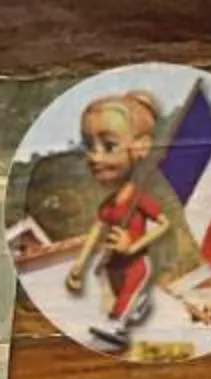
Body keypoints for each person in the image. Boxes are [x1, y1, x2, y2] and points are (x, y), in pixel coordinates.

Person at [64, 89, 170, 347]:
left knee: (122, 303)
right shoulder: (109, 204)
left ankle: (120, 327)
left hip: (134, 263)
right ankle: (134, 311)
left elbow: (164, 224)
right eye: (89, 146)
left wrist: (133, 245)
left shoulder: (139, 198)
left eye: (109, 146)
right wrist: (79, 263)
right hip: (113, 265)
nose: (95, 157)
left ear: (142, 147)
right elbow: (97, 229)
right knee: (113, 296)